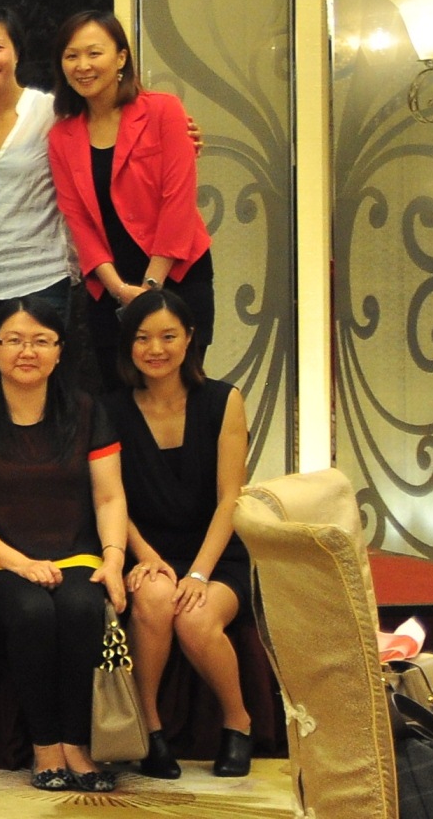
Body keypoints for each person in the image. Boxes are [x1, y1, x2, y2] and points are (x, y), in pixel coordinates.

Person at [0, 295, 131, 792]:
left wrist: (114, 559)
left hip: (76, 553)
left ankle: (77, 744)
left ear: (59, 350)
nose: (26, 351)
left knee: (80, 606)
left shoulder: (88, 411)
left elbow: (110, 497)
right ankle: (45, 746)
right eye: (13, 340)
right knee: (31, 611)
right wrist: (21, 564)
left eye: (40, 341)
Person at [109, 288, 255, 779]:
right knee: (153, 598)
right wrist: (147, 556)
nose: (156, 349)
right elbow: (110, 499)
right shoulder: (110, 410)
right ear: (128, 344)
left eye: (168, 336)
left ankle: (238, 722)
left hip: (216, 552)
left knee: (194, 618)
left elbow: (231, 498)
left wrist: (197, 572)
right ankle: (148, 730)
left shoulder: (223, 400)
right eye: (142, 338)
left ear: (190, 338)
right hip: (145, 548)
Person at [51, 10, 216, 382]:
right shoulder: (62, 136)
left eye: (94, 53)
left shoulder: (163, 110)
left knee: (181, 392)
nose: (82, 66)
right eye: (71, 56)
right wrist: (120, 289)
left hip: (179, 275)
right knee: (120, 397)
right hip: (111, 288)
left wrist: (150, 287)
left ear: (121, 57)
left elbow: (178, 201)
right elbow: (78, 221)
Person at [0, 8, 86, 399]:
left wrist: (179, 134)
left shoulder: (51, 112)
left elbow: (111, 136)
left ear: (17, 52)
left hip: (37, 278)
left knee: (42, 396)